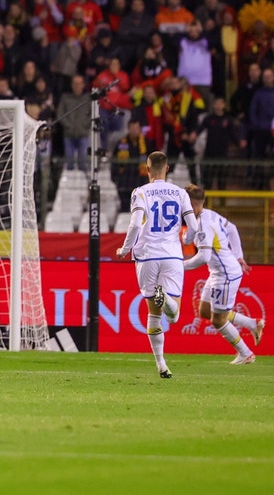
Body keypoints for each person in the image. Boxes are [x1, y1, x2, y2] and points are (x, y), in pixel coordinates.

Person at [116, 151, 198, 378]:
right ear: (168, 168)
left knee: (153, 314)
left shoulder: (140, 192)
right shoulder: (180, 193)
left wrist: (125, 249)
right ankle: (168, 299)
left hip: (146, 256)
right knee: (174, 316)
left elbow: (134, 224)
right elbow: (194, 227)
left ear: (147, 168)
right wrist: (187, 240)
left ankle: (162, 365)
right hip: (172, 255)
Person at [181, 185, 263, 364]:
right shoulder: (208, 214)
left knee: (218, 320)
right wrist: (239, 256)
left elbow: (203, 257)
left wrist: (180, 266)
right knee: (204, 310)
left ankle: (245, 352)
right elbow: (232, 228)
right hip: (219, 271)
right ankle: (252, 324)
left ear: (191, 204)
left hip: (224, 275)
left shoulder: (203, 224)